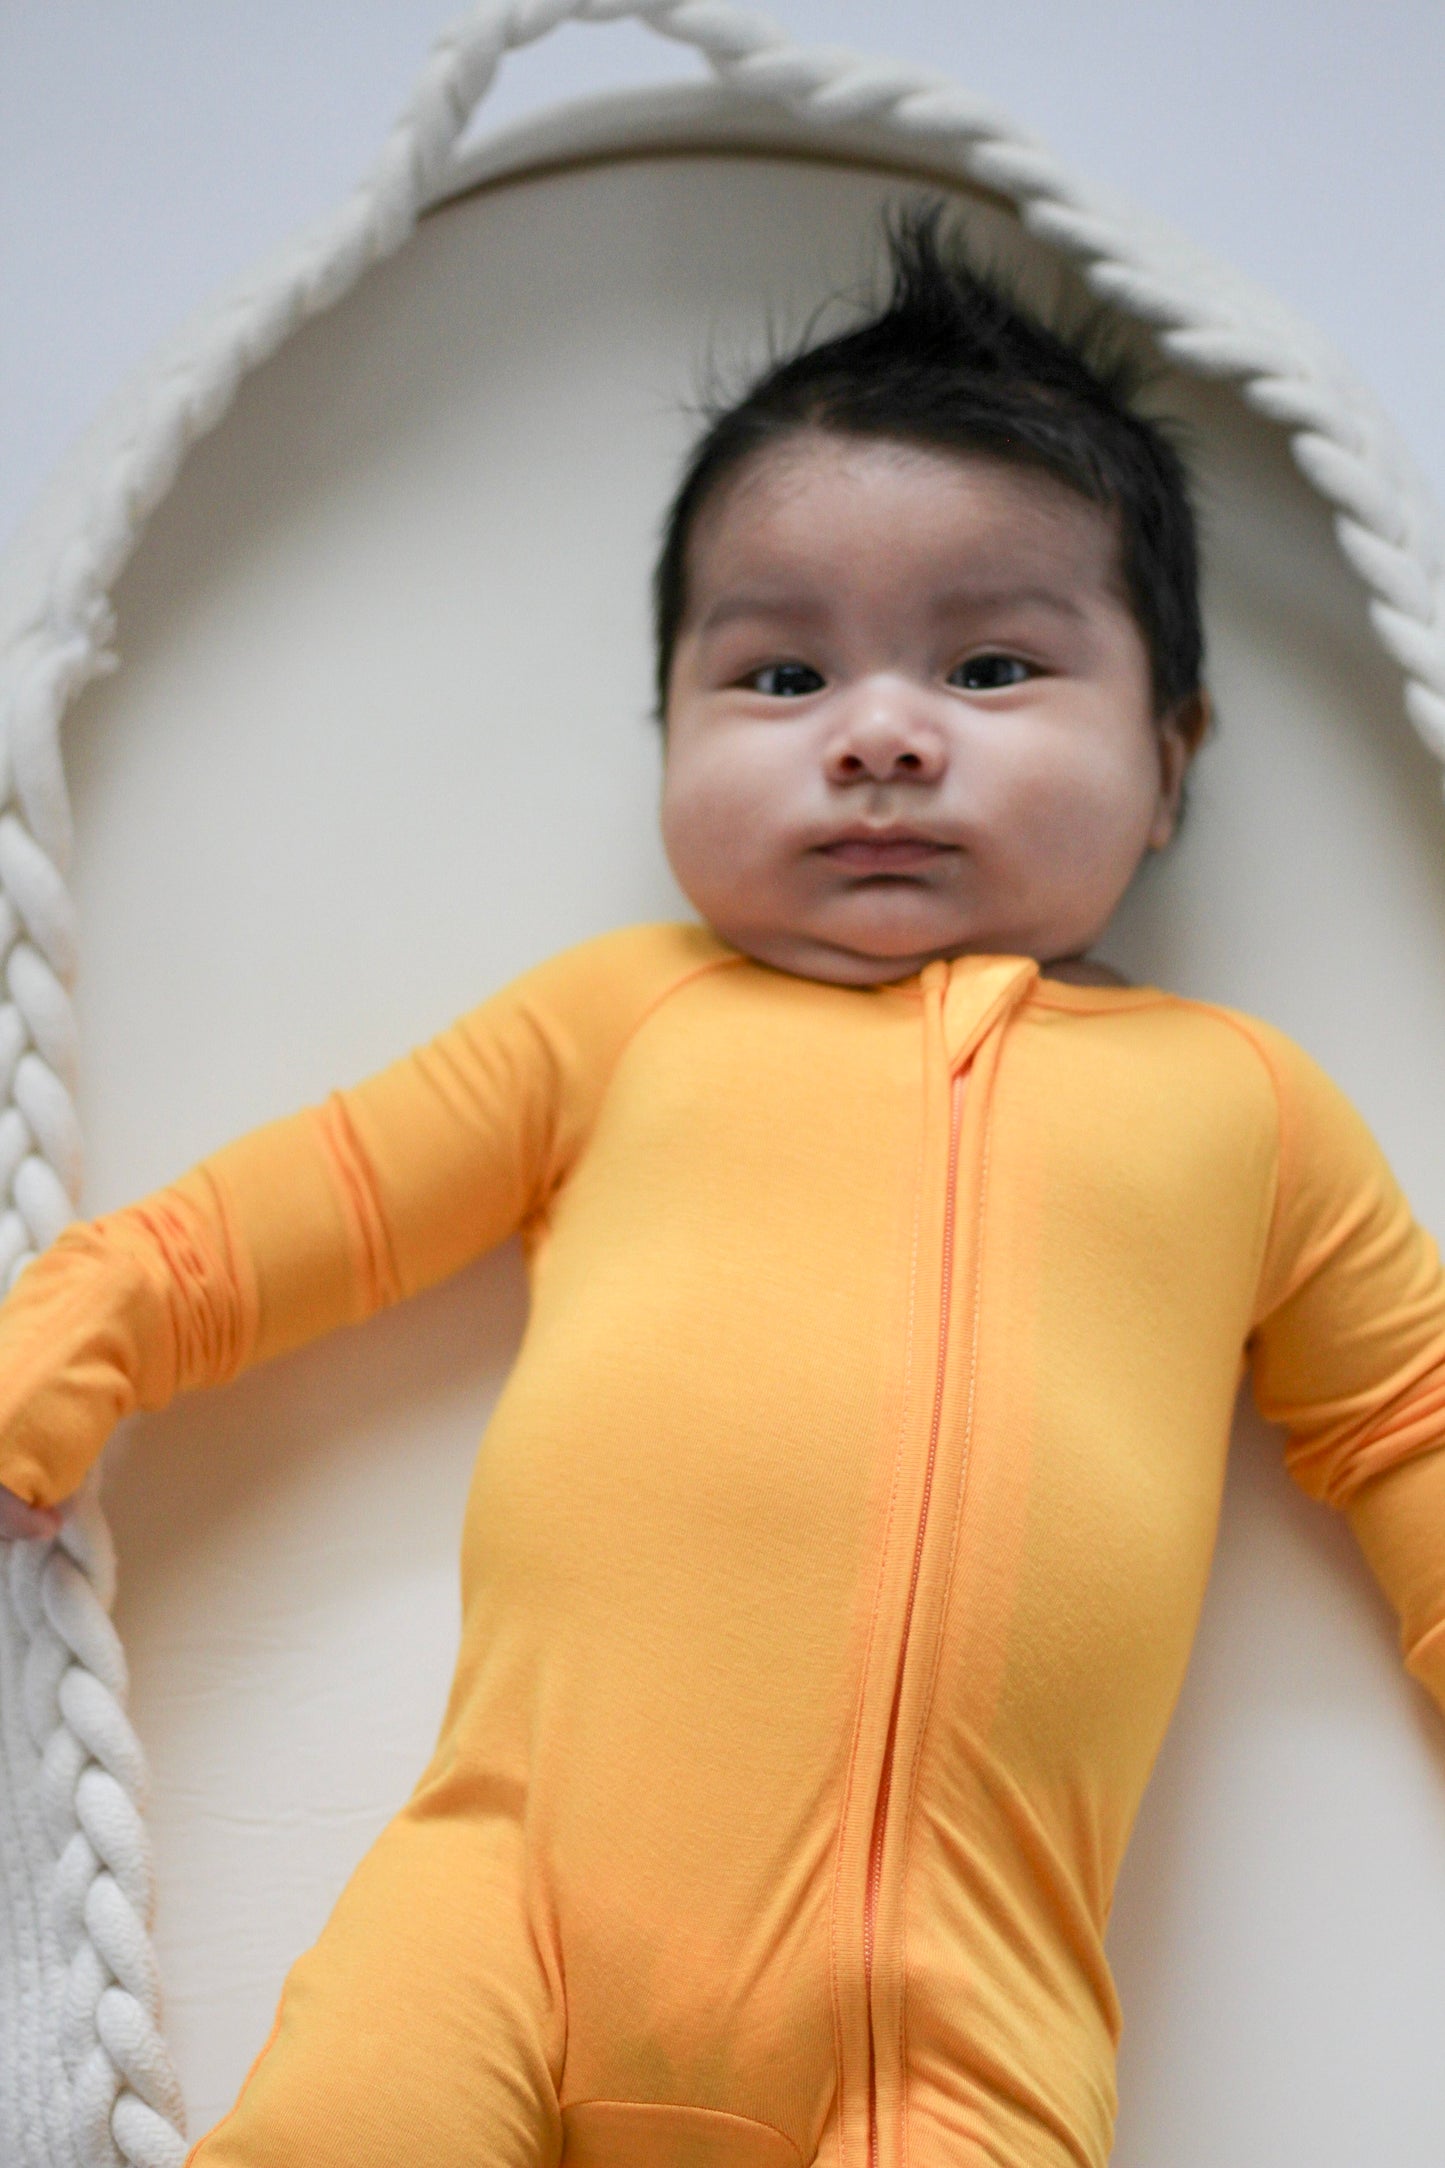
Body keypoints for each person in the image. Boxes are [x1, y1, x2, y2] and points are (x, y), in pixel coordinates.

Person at [2, 203, 1444, 2168]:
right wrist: (71, 1334)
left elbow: (1412, 1424)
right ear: (669, 736)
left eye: (995, 662)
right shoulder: (623, 1024)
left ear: (1169, 759)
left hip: (964, 2027)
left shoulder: (1249, 1108)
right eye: (777, 677)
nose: (876, 734)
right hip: (509, 1919)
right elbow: (297, 1208)